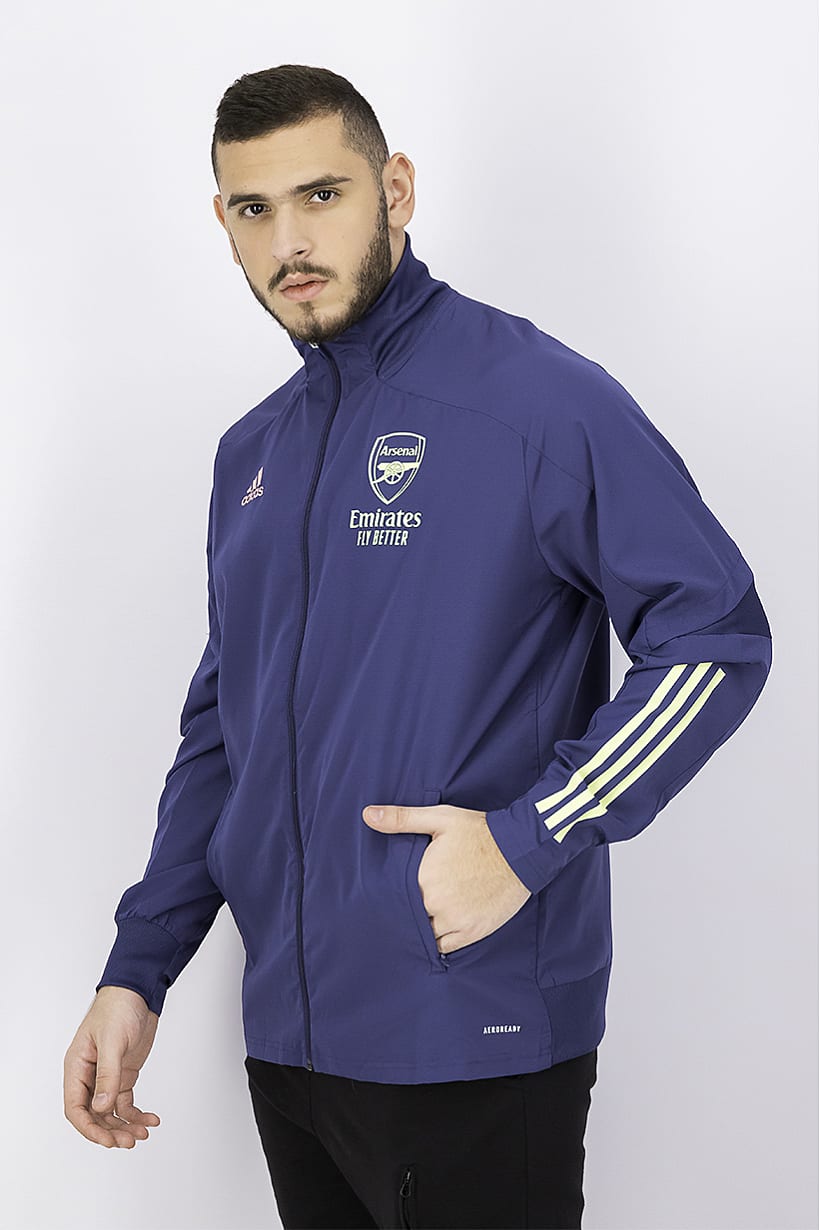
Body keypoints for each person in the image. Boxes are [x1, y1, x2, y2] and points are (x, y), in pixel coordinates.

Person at [63, 64, 772, 1229]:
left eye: (323, 194)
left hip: (467, 1033)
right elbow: (224, 736)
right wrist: (137, 971)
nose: (290, 241)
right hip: (290, 1048)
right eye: (254, 209)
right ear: (223, 224)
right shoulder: (253, 455)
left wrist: (532, 835)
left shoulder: (536, 401)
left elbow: (715, 638)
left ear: (394, 188)